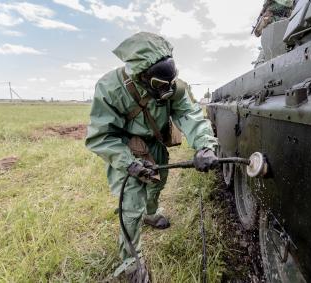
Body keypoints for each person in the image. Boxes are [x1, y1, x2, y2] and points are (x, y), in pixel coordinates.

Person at [85, 32, 218, 282]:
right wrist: (129, 164)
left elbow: (190, 116)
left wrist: (205, 146)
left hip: (155, 146)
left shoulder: (174, 87)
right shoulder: (110, 88)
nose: (167, 90)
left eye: (171, 81)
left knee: (157, 184)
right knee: (131, 204)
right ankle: (130, 263)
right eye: (159, 85)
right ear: (140, 76)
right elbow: (100, 136)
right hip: (125, 148)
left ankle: (150, 213)